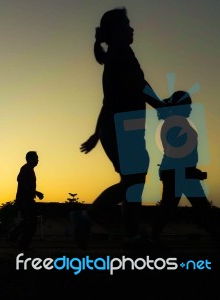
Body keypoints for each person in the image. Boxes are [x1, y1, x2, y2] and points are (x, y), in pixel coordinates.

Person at [70, 7, 165, 250]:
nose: (132, 28)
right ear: (116, 30)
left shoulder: (119, 54)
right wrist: (162, 107)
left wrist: (97, 132)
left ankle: (132, 237)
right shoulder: (121, 54)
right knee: (133, 182)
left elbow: (108, 101)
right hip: (124, 127)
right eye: (127, 24)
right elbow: (139, 84)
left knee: (133, 182)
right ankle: (85, 218)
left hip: (121, 126)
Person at [151, 91, 212, 243]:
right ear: (180, 107)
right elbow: (177, 153)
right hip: (178, 172)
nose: (191, 109)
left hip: (178, 171)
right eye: (188, 106)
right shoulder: (175, 124)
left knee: (169, 209)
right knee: (201, 208)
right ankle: (147, 239)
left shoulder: (175, 122)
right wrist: (191, 171)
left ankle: (149, 238)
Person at [9, 151, 44, 250]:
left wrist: (34, 192)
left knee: (30, 222)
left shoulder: (29, 169)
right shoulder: (25, 169)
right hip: (24, 200)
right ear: (30, 159)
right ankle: (16, 238)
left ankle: (20, 242)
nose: (38, 160)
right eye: (36, 158)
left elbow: (23, 183)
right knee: (30, 222)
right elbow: (22, 183)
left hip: (27, 199)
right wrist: (36, 192)